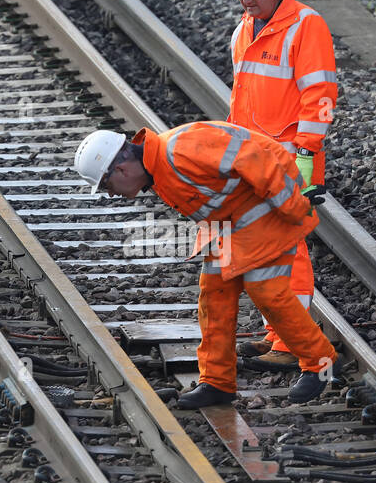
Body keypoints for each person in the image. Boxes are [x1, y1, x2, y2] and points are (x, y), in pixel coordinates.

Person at [73, 122, 342, 407]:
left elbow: (253, 156)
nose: (111, 194)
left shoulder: (181, 149)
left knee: (266, 291)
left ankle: (321, 364)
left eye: (106, 185)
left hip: (268, 212)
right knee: (215, 296)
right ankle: (217, 383)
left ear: (121, 170)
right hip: (229, 226)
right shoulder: (157, 169)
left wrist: (293, 204)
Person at [223, 0, 338, 373]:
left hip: (289, 161)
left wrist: (307, 153)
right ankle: (278, 335)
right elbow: (241, 100)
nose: (247, 0)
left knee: (289, 249)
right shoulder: (243, 31)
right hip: (253, 162)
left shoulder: (307, 26)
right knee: (267, 249)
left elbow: (321, 95)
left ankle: (293, 343)